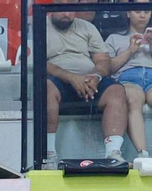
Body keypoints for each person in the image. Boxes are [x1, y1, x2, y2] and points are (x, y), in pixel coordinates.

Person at [44, 7, 129, 164]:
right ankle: (48, 154)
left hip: (89, 82)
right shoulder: (40, 25)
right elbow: (40, 62)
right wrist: (72, 78)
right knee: (46, 88)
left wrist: (95, 76)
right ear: (53, 6)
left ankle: (113, 154)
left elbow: (103, 61)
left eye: (70, 10)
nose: (66, 14)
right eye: (62, 9)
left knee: (116, 91)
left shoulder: (87, 27)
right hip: (57, 81)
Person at [106, 7, 152, 158]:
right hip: (127, 77)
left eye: (146, 12)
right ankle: (143, 154)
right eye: (137, 11)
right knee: (132, 100)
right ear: (127, 13)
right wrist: (130, 50)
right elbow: (108, 68)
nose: (142, 15)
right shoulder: (114, 38)